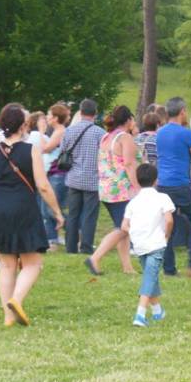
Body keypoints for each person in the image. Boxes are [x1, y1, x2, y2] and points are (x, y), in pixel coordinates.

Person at [0, 103, 64, 326]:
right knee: (33, 264)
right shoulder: (30, 149)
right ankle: (16, 299)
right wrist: (57, 212)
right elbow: (42, 185)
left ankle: (8, 317)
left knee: (7, 265)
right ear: (23, 126)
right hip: (23, 208)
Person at [84, 106, 140, 275]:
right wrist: (137, 187)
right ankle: (95, 257)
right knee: (124, 227)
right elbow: (129, 164)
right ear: (129, 120)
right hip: (122, 189)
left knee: (122, 226)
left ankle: (127, 267)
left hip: (106, 189)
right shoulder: (125, 138)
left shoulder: (106, 137)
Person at [156, 97, 191, 278]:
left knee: (166, 227)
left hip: (162, 185)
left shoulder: (160, 133)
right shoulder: (186, 134)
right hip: (181, 185)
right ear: (183, 111)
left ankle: (169, 269)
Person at [121, 164, 175, 327]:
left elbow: (124, 226)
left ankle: (158, 311)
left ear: (137, 181)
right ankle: (140, 314)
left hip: (139, 245)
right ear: (156, 180)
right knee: (149, 277)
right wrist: (166, 235)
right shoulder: (162, 198)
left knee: (150, 276)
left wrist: (136, 233)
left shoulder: (133, 202)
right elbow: (169, 220)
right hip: (156, 243)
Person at [61, 99, 105, 254]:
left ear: (80, 112)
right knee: (89, 215)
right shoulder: (100, 133)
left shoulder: (69, 130)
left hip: (74, 178)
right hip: (92, 180)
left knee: (73, 214)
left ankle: (70, 247)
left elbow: (63, 150)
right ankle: (86, 247)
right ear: (95, 114)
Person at [40, 103, 71, 248]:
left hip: (58, 174)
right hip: (53, 173)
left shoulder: (60, 131)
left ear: (56, 118)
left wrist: (40, 132)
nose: (47, 117)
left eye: (49, 115)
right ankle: (52, 238)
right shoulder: (56, 131)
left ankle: (72, 231)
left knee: (50, 207)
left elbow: (45, 149)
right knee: (48, 207)